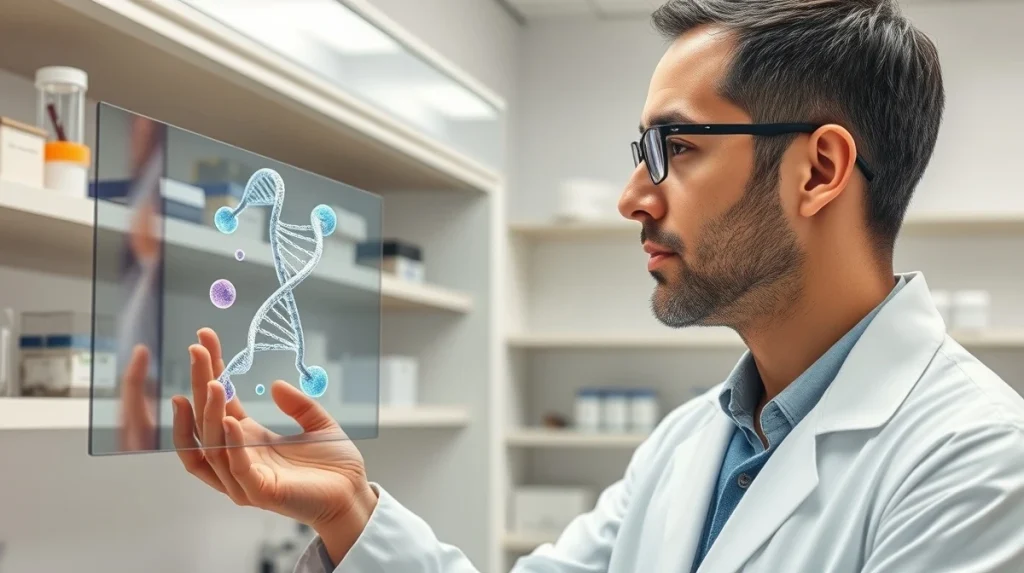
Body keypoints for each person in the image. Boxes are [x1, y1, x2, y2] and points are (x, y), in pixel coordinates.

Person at [163, 0, 1024, 571]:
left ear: (820, 170)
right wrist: (350, 508)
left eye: (676, 148)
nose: (631, 197)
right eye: (640, 153)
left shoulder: (978, 463)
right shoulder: (691, 442)